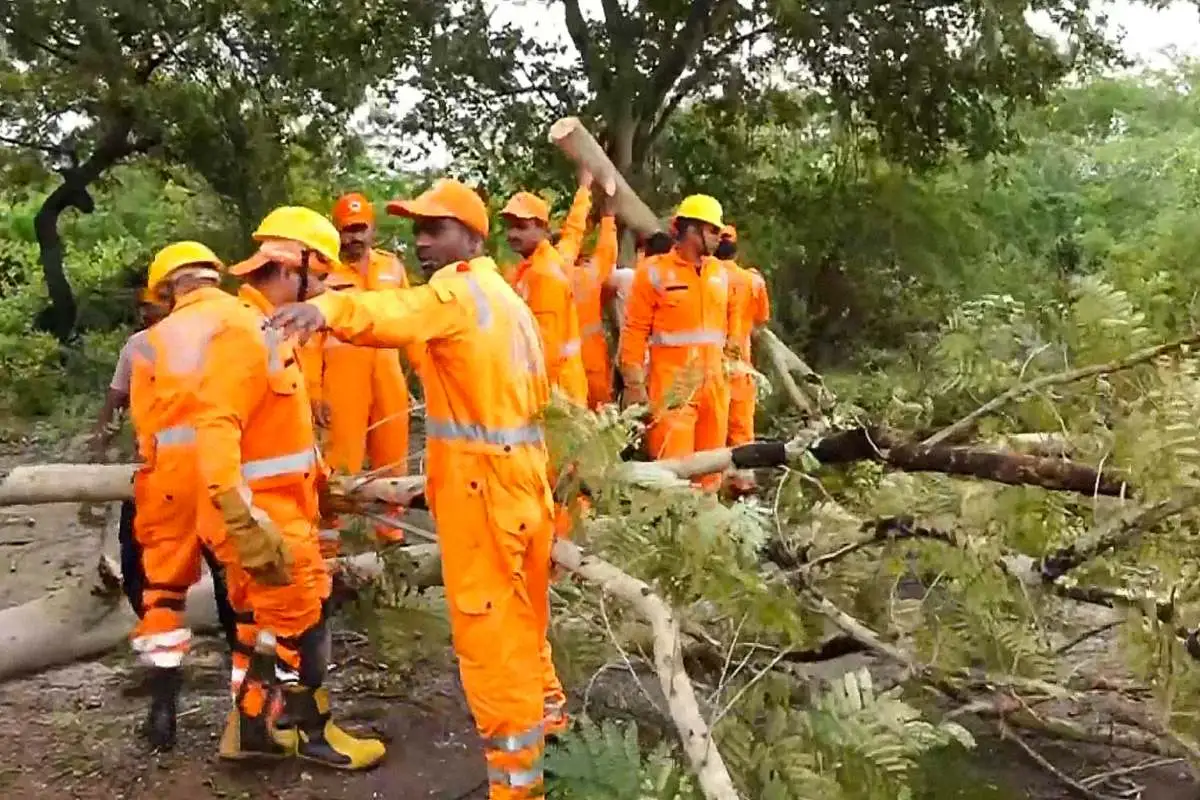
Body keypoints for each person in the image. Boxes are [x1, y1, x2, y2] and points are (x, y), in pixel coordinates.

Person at [269, 179, 562, 799]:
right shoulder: (505, 300)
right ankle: (550, 723)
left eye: (436, 230)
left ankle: (518, 787)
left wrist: (325, 311)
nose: (423, 242)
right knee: (525, 622)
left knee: (491, 644)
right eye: (418, 231)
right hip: (521, 486)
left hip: (487, 494)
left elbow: (394, 314)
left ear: (471, 238)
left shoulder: (457, 291)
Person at [162, 207, 383, 770]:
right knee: (304, 621)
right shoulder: (243, 332)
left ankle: (253, 729)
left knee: (261, 630)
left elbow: (270, 432)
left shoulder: (266, 329)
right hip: (261, 520)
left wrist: (319, 479)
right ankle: (316, 734)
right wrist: (242, 519)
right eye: (319, 275)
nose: (320, 290)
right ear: (293, 266)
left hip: (273, 509)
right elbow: (216, 425)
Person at [123, 242, 240, 751]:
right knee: (240, 598)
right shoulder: (248, 322)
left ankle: (163, 712)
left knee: (163, 596)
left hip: (168, 483)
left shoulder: (149, 342)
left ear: (171, 288)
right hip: (227, 477)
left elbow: (143, 426)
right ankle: (248, 717)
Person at [618, 196, 732, 490]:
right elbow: (634, 331)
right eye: (713, 231)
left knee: (711, 474)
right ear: (691, 230)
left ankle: (710, 528)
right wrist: (634, 386)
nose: (719, 238)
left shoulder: (719, 272)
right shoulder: (654, 272)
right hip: (673, 391)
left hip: (715, 389)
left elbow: (725, 331)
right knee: (673, 478)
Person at [323, 192, 412, 544]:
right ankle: (329, 553)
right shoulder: (324, 273)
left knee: (393, 464)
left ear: (372, 228)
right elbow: (311, 338)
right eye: (347, 230)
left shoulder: (392, 268)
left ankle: (391, 545)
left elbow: (412, 320)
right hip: (342, 383)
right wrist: (315, 391)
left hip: (389, 378)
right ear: (337, 231)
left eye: (360, 229)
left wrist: (428, 372)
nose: (354, 237)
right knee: (340, 469)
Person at [501, 184, 589, 405]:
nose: (512, 234)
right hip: (556, 391)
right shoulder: (540, 263)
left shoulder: (543, 274)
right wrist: (584, 190)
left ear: (542, 229)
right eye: (510, 227)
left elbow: (545, 349)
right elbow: (573, 234)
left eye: (521, 227)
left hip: (554, 397)